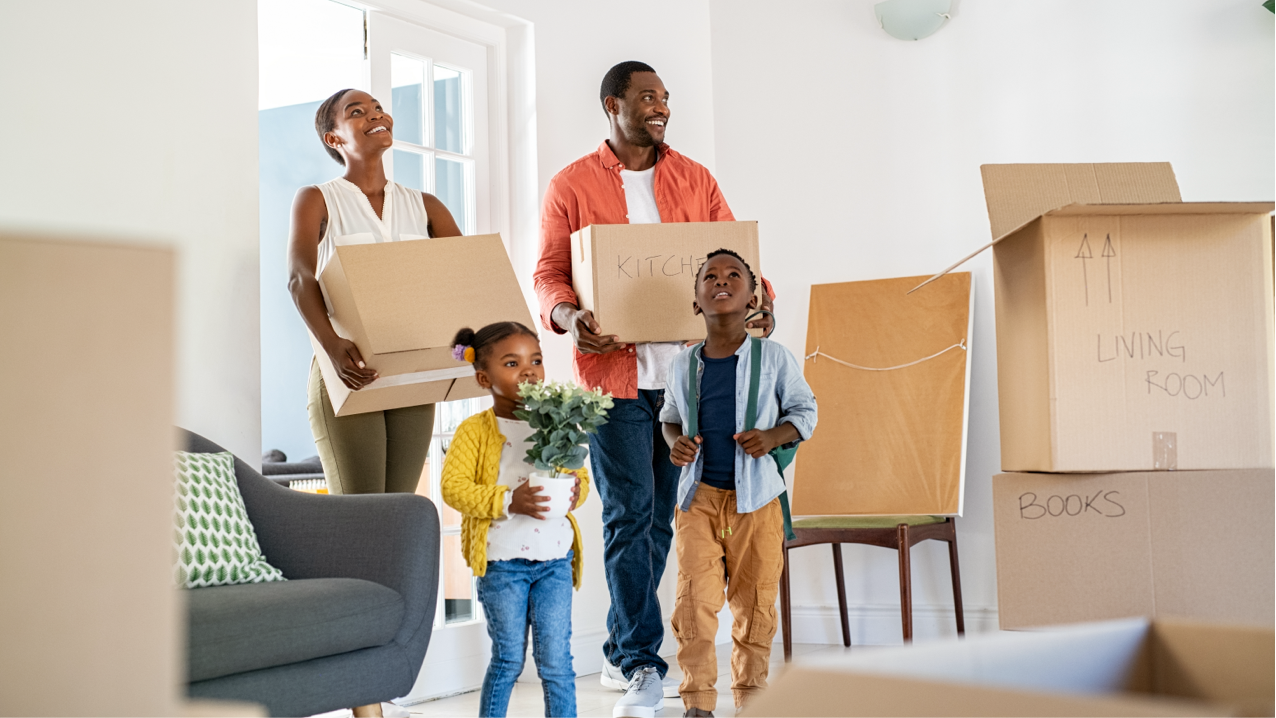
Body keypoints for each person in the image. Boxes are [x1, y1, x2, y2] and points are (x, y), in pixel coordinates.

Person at [533, 60, 774, 718]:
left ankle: (619, 649)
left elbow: (738, 260)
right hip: (613, 382)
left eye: (664, 97)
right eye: (646, 97)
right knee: (626, 514)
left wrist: (762, 300)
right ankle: (640, 658)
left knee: (664, 514)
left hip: (688, 382)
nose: (660, 106)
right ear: (613, 104)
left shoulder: (695, 178)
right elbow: (550, 274)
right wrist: (570, 318)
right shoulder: (572, 184)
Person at [287, 88, 463, 718]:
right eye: (357, 113)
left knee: (396, 524)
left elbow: (463, 281)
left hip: (410, 382)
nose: (376, 117)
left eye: (379, 109)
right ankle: (365, 702)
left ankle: (378, 671)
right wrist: (332, 346)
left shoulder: (426, 205)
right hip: (348, 377)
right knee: (359, 525)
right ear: (335, 137)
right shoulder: (320, 199)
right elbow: (300, 277)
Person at [659, 250, 817, 717]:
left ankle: (752, 700)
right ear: (696, 301)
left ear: (755, 297)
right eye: (710, 276)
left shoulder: (775, 359)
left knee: (754, 604)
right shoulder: (682, 364)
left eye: (734, 276)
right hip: (697, 500)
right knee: (694, 604)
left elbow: (805, 412)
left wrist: (773, 436)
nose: (721, 281)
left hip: (758, 502)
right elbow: (669, 417)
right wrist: (676, 442)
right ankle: (698, 703)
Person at [441, 322, 589, 718]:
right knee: (508, 659)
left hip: (555, 562)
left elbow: (581, 477)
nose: (528, 371)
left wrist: (576, 490)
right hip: (502, 565)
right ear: (483, 378)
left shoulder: (557, 422)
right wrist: (510, 500)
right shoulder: (474, 431)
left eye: (535, 361)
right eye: (512, 363)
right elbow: (453, 488)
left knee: (557, 662)